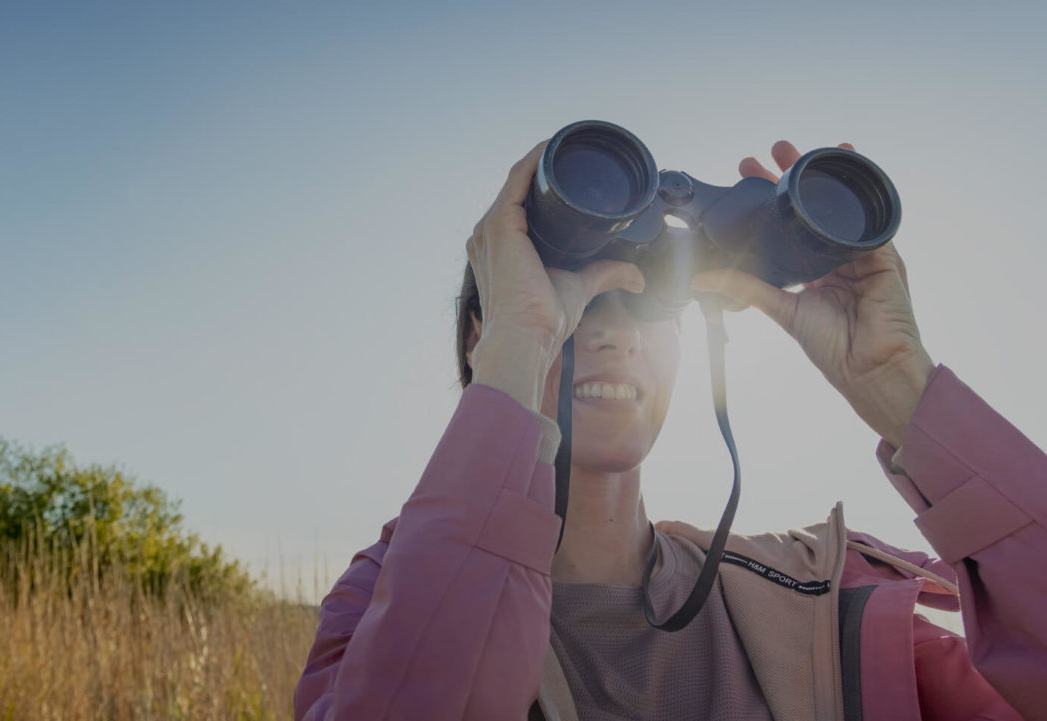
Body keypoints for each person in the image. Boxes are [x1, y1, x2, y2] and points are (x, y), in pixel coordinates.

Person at [293, 138, 1045, 721]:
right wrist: (517, 354)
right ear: (481, 339)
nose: (615, 338)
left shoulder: (821, 594)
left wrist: (901, 388)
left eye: (650, 306)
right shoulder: (384, 596)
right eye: (578, 302)